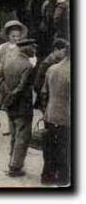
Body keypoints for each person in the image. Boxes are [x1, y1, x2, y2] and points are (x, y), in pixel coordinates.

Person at [0, 38, 36, 177]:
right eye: (33, 48)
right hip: (22, 106)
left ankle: (11, 162)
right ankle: (15, 166)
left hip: (9, 105)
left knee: (13, 135)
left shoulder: (7, 60)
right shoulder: (28, 66)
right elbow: (22, 87)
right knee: (22, 137)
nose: (34, 50)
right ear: (27, 49)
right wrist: (12, 96)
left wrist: (7, 96)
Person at [39, 49, 70, 186]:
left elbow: (44, 92)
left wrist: (46, 109)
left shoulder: (52, 68)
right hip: (67, 116)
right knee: (65, 148)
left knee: (50, 148)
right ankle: (63, 178)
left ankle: (47, 176)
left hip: (50, 114)